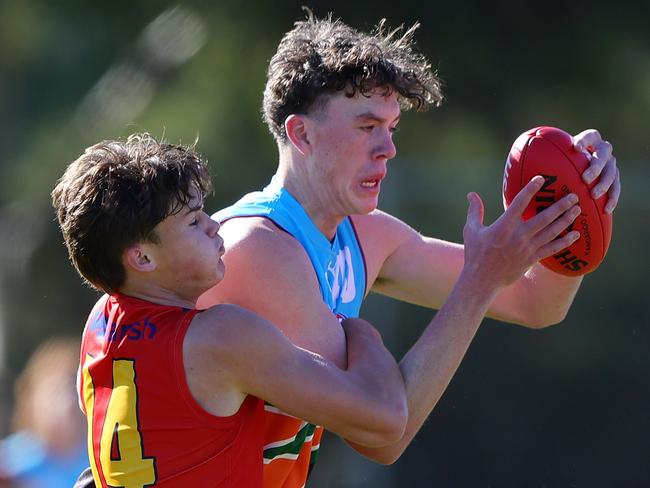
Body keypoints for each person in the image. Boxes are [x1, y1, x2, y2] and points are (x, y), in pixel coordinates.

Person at [196, 13, 621, 487]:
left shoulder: (364, 235)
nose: (387, 149)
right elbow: (380, 436)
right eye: (366, 126)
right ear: (301, 135)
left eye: (392, 128)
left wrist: (579, 205)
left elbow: (535, 301)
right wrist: (477, 282)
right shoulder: (257, 249)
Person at [51, 133, 410, 487]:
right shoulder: (221, 336)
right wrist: (359, 331)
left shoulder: (99, 321)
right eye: (193, 222)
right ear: (142, 258)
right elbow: (385, 420)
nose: (213, 225)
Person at [0, 337, 87, 488]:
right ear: (31, 400)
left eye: (73, 390)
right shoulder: (8, 466)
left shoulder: (102, 461)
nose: (68, 403)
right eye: (55, 392)